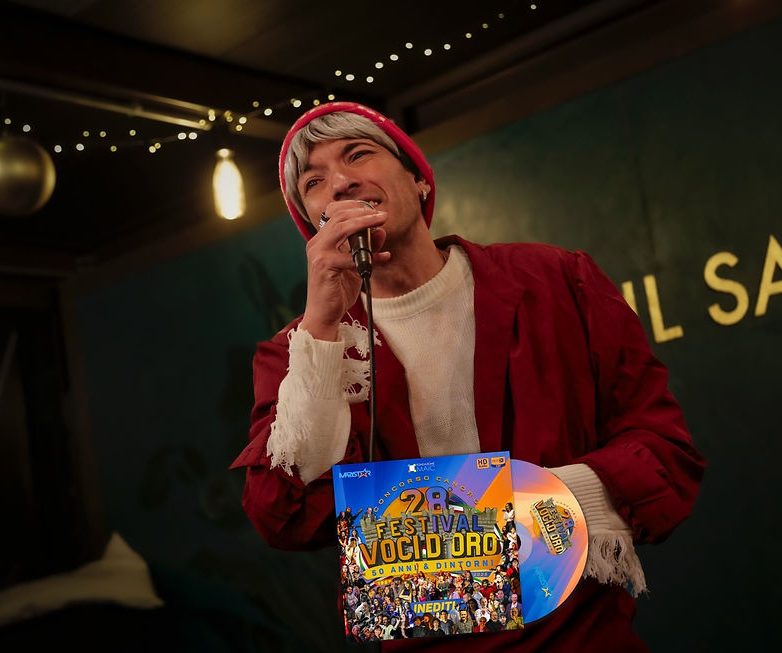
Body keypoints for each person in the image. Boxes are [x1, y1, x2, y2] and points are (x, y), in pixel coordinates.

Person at [231, 101, 706, 651]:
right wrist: (320, 332)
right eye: (313, 182)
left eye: (357, 154)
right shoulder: (299, 351)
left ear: (418, 179)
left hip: (580, 634)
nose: (339, 183)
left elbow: (665, 454)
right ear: (312, 224)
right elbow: (282, 515)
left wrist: (531, 508)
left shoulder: (557, 280)